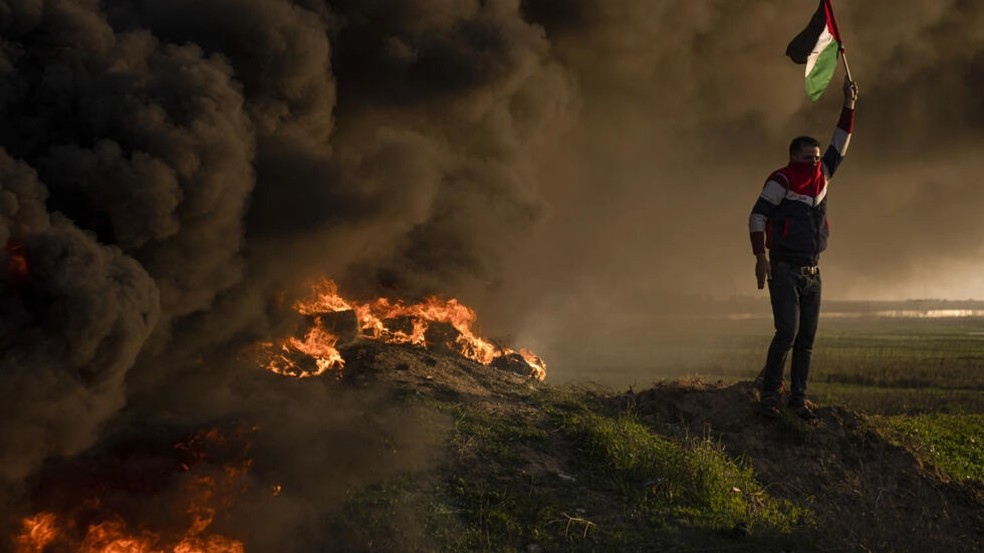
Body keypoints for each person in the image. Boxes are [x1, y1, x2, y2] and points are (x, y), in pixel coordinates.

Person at [748, 74, 859, 420]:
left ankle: (798, 398)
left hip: (813, 272)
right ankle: (770, 393)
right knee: (787, 332)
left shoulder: (822, 177)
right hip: (784, 269)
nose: (814, 161)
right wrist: (760, 258)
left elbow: (840, 143)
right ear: (793, 156)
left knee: (807, 339)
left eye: (815, 156)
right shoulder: (781, 180)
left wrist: (849, 104)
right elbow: (756, 217)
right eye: (807, 156)